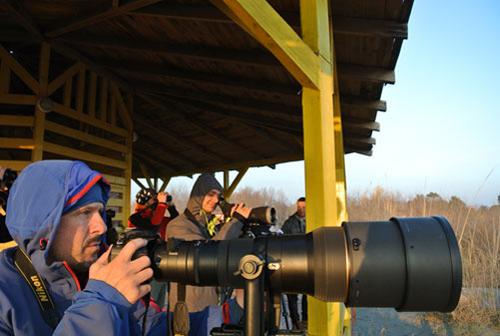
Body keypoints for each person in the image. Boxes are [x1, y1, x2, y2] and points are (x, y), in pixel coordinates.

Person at [0, 160, 167, 335]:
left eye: (99, 212)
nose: (101, 227)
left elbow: (152, 328)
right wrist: (103, 305)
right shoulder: (5, 296)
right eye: (85, 213)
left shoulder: (101, 273)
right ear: (45, 224)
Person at [166, 173, 251, 336]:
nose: (215, 200)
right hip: (188, 310)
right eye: (210, 194)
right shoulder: (177, 225)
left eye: (218, 197)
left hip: (210, 306)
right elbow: (208, 253)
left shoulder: (205, 228)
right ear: (198, 195)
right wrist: (236, 221)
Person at [281, 197, 307, 330]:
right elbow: (281, 240)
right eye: (299, 207)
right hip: (292, 262)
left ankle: (306, 320)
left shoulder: (314, 221)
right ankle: (296, 322)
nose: (301, 209)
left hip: (308, 262)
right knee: (292, 295)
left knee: (308, 294)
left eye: (304, 207)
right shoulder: (289, 223)